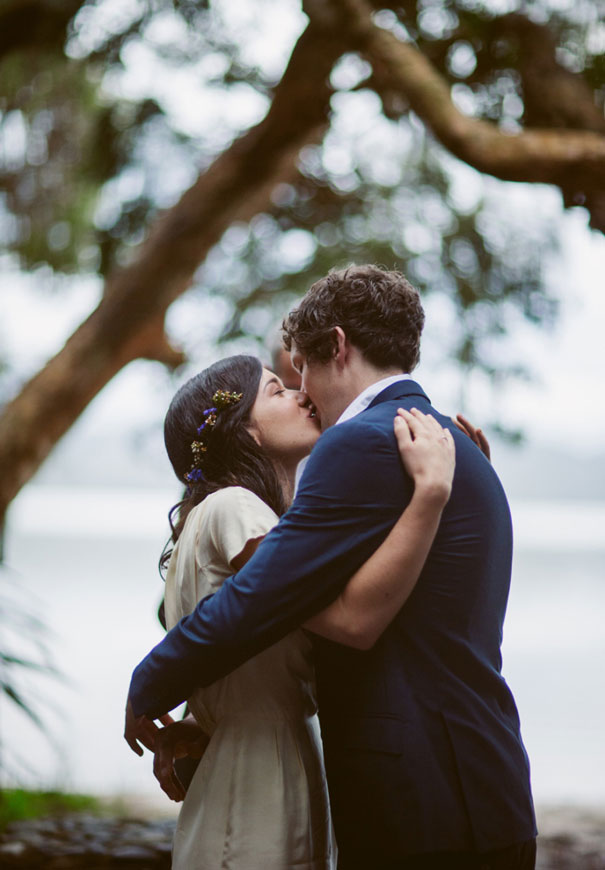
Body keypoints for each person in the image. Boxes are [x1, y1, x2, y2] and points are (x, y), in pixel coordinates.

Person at [126, 265, 536, 869]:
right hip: (488, 786)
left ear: (337, 346)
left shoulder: (360, 444)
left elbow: (264, 599)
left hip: (417, 806)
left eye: (300, 369)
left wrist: (150, 682)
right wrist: (212, 718)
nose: (303, 391)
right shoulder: (453, 449)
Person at [150, 354, 456, 869]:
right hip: (259, 771)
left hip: (261, 756)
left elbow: (239, 647)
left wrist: (206, 720)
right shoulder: (235, 507)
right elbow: (346, 613)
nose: (300, 395)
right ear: (247, 434)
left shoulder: (225, 514)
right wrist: (431, 495)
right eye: (276, 391)